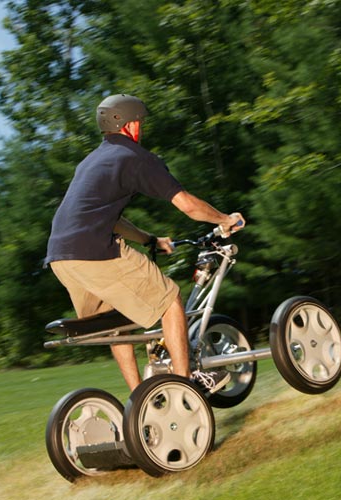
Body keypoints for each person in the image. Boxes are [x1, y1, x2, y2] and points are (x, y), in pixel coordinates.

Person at [45, 93, 245, 394]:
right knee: (169, 301)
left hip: (61, 258)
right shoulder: (135, 158)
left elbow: (104, 217)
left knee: (116, 324)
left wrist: (149, 240)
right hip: (96, 252)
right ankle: (187, 382)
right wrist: (224, 219)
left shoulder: (91, 161)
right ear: (131, 125)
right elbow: (188, 205)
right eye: (140, 121)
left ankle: (140, 399)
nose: (142, 127)